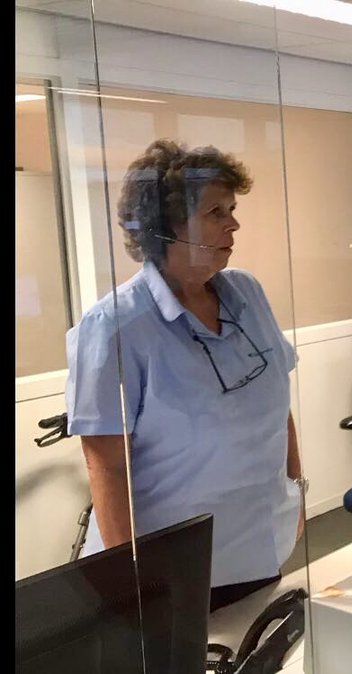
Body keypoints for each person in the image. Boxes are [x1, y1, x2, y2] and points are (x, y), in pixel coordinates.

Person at [66, 139, 305, 612]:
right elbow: (107, 466)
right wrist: (131, 581)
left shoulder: (248, 294)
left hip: (259, 547)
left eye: (232, 209)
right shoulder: (115, 327)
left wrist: (297, 489)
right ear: (166, 227)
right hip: (170, 574)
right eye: (216, 212)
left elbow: (278, 408)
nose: (233, 223)